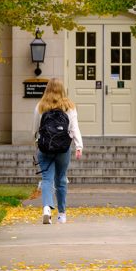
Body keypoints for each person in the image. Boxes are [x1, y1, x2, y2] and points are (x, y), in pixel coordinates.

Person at [33, 78, 83, 224]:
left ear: (47, 89)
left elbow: (35, 128)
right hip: (63, 148)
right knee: (61, 179)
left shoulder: (40, 106)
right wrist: (79, 146)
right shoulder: (69, 107)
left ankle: (47, 209)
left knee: (47, 179)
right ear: (63, 89)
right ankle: (61, 214)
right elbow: (74, 128)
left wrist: (36, 141)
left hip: (45, 148)